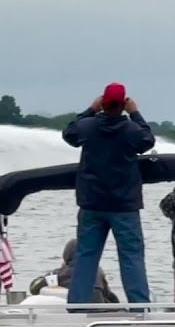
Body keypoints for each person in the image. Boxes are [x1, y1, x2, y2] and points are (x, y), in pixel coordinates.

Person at [62, 83, 157, 304]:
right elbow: (147, 140)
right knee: (131, 257)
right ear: (123, 105)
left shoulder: (87, 127)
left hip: (92, 203)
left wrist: (90, 110)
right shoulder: (132, 130)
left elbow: (69, 133)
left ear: (102, 102)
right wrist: (135, 113)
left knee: (85, 256)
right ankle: (140, 308)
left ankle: (76, 306)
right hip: (124, 205)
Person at [28, 238, 120, 303]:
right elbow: (110, 296)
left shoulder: (61, 272)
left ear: (66, 255)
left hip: (78, 310)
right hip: (99, 309)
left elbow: (34, 287)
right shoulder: (97, 270)